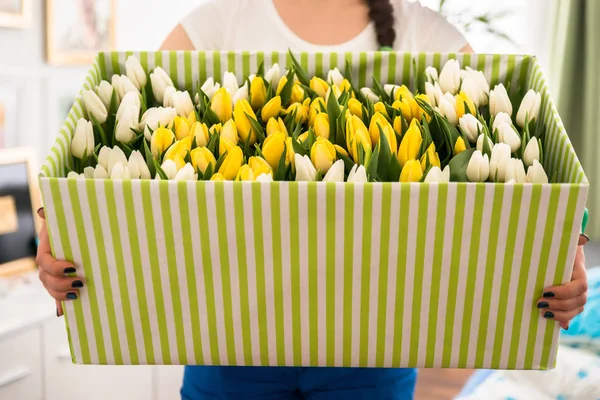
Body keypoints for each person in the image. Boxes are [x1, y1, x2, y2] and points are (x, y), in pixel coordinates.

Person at [36, 0, 590, 399]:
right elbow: (114, 156)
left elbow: (523, 169)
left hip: (375, 350)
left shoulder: (428, 35)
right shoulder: (218, 22)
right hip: (228, 346)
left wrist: (567, 245)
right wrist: (52, 231)